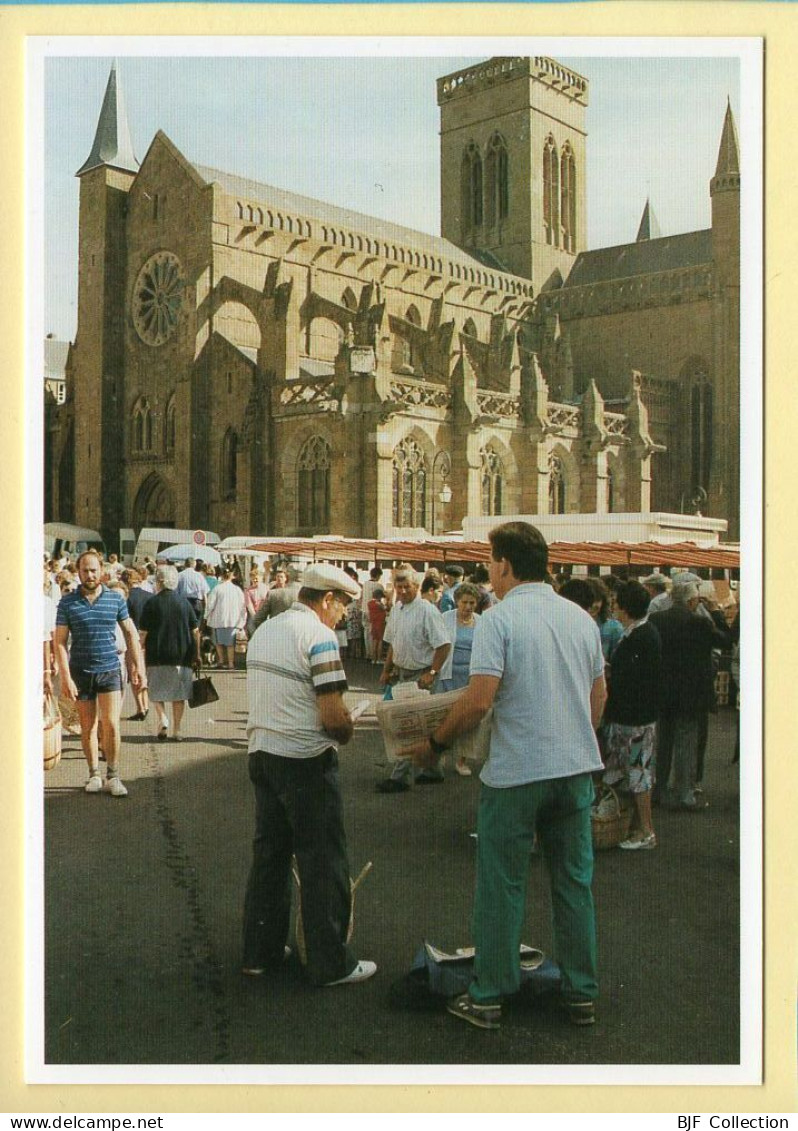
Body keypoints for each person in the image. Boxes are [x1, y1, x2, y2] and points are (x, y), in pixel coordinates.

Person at [403, 522, 606, 1030]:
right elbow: (598, 699)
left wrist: (433, 745)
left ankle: (489, 995)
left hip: (517, 773)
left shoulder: (499, 620)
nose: (490, 571)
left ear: (506, 566)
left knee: (502, 885)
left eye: (492, 562)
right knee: (573, 884)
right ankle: (581, 992)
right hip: (575, 767)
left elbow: (478, 701)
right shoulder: (581, 619)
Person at [243, 564, 376, 986]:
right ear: (328, 599)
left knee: (270, 856)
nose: (342, 618)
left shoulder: (265, 630)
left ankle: (259, 953)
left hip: (262, 753)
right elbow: (333, 717)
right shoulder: (318, 638)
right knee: (322, 860)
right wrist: (348, 727)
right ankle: (330, 962)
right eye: (342, 608)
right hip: (304, 759)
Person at [53, 549, 144, 797]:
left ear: (102, 571)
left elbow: (131, 634)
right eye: (85, 570)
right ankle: (94, 773)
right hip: (81, 672)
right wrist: (65, 678)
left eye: (94, 570)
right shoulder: (67, 602)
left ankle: (113, 775)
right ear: (78, 572)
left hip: (109, 670)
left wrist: (138, 668)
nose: (90, 575)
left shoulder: (115, 599)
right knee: (87, 726)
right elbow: (59, 641)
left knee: (111, 723)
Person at [650, 579, 729, 809]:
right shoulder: (701, 623)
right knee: (686, 742)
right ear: (693, 601)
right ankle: (684, 793)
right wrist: (716, 612)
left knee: (663, 741)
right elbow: (724, 639)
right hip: (691, 693)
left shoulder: (657, 620)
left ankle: (658, 789)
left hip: (663, 691)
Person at [376, 566, 451, 793]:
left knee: (408, 725)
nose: (403, 590)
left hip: (422, 674)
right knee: (421, 726)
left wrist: (433, 673)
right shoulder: (397, 609)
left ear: (417, 587)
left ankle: (400, 777)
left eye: (407, 586)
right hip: (402, 672)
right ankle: (432, 771)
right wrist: (386, 670)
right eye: (399, 587)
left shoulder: (426, 610)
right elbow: (393, 643)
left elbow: (443, 644)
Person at [601, 580, 662, 849]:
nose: (612, 606)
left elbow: (633, 680)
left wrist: (609, 675)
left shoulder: (641, 636)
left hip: (634, 719)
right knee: (630, 773)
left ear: (625, 608)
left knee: (638, 774)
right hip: (633, 717)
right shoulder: (639, 632)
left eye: (616, 602)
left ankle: (646, 831)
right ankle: (632, 826)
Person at [139, 564, 202, 742]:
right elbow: (195, 631)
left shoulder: (151, 603)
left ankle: (162, 718)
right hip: (182, 655)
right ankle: (177, 730)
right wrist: (196, 655)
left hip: (156, 655)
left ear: (158, 581)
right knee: (179, 695)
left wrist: (140, 647)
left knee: (156, 692)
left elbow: (143, 633)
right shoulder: (184, 603)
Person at [436, 581, 481, 777]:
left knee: (468, 721)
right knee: (443, 718)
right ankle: (440, 754)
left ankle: (462, 759)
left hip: (470, 677)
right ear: (456, 602)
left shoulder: (481, 622)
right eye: (464, 603)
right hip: (448, 674)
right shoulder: (444, 618)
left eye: (472, 603)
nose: (468, 607)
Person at [121, 568, 152, 721]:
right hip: (149, 641)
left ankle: (140, 707)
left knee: (134, 674)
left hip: (133, 640)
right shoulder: (150, 596)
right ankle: (146, 704)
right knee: (143, 674)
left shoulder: (127, 599)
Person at [205, 567, 247, 669]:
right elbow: (242, 605)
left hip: (219, 619)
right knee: (230, 644)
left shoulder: (217, 588)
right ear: (231, 576)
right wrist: (243, 619)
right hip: (233, 619)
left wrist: (206, 615)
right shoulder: (237, 590)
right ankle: (231, 663)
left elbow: (210, 604)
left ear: (222, 576)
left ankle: (221, 661)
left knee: (219, 642)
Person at [244, 566, 270, 637]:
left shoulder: (266, 589)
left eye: (256, 579)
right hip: (254, 616)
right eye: (253, 579)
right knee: (252, 630)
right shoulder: (248, 591)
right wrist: (256, 617)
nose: (255, 581)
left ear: (261, 578)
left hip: (265, 615)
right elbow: (249, 606)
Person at [366, 586, 388, 665]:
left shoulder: (369, 603)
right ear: (379, 596)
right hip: (380, 623)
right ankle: (379, 659)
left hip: (373, 624)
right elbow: (385, 608)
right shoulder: (379, 604)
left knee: (374, 641)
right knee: (380, 641)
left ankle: (373, 659)